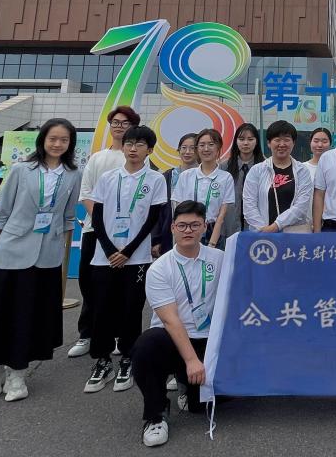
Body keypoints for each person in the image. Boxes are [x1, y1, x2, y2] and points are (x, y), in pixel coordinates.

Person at [0, 119, 82, 402]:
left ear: (70, 144)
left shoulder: (73, 175)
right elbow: (2, 212)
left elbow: (68, 217)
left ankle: (18, 372)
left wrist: (63, 251)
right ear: (43, 140)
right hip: (11, 251)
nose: (57, 144)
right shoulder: (20, 170)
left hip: (46, 256)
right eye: (53, 138)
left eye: (64, 140)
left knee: (30, 315)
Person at [84, 125, 167, 394]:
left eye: (140, 144)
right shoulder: (108, 178)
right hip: (104, 257)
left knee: (132, 309)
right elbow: (97, 217)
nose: (133, 148)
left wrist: (128, 251)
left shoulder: (155, 180)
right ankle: (102, 359)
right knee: (102, 308)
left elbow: (152, 219)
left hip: (137, 257)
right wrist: (110, 250)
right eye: (129, 143)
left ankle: (129, 358)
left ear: (150, 150)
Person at [134, 200, 224, 447]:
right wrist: (191, 360)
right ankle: (156, 413)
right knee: (146, 345)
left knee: (202, 406)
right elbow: (170, 319)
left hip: (208, 340)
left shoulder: (220, 259)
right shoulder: (160, 268)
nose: (188, 230)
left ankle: (186, 384)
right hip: (173, 339)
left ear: (204, 227)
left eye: (194, 225)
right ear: (173, 227)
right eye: (182, 225)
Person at [68, 106, 141, 360]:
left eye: (125, 123)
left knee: (120, 286)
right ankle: (87, 334)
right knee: (89, 283)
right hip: (94, 231)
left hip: (125, 235)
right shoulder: (97, 158)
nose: (119, 126)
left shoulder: (138, 158)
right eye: (116, 122)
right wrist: (102, 224)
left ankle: (119, 334)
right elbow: (86, 193)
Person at [243, 120, 313, 232]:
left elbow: (301, 206)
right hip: (262, 235)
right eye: (277, 140)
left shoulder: (302, 171)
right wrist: (263, 229)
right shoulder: (257, 170)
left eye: (287, 140)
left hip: (293, 234)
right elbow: (249, 205)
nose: (282, 144)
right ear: (269, 143)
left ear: (293, 143)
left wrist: (276, 226)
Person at [171, 129, 235, 246]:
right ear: (197, 148)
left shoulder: (226, 177)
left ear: (218, 147)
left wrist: (212, 243)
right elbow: (178, 210)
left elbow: (221, 216)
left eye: (211, 144)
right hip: (188, 230)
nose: (206, 149)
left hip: (213, 231)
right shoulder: (186, 176)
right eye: (202, 145)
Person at [152, 133, 197, 258]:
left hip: (197, 231)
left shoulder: (204, 176)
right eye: (183, 148)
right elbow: (158, 209)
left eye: (192, 148)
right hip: (170, 233)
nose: (187, 152)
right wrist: (156, 239)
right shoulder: (168, 176)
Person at [220, 123, 264, 246]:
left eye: (250, 139)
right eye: (241, 139)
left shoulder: (265, 166)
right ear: (236, 141)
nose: (245, 143)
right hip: (229, 226)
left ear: (256, 142)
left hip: (257, 227)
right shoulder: (224, 167)